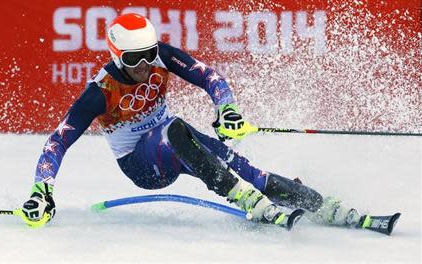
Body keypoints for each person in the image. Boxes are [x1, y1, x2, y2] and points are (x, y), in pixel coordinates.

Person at [21, 13, 361, 229]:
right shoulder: (100, 92)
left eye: (149, 53)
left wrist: (226, 109)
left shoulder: (162, 58)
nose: (144, 65)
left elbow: (210, 77)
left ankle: (320, 204)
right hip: (142, 165)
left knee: (244, 167)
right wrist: (42, 190)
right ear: (115, 56)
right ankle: (245, 198)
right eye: (133, 58)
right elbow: (58, 141)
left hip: (178, 142)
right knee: (175, 128)